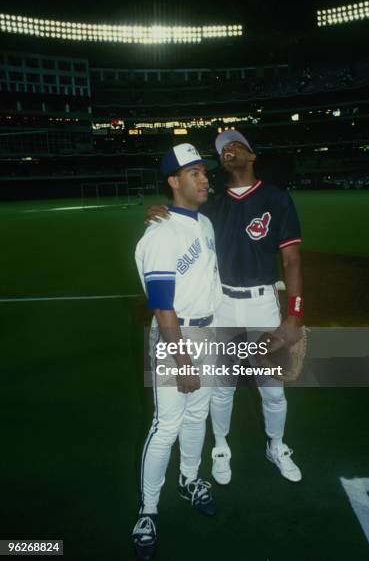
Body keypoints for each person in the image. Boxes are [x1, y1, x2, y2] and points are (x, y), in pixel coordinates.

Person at [146, 129, 303, 488]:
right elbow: (180, 214)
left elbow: (292, 261)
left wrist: (293, 316)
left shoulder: (278, 199)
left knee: (273, 388)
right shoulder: (210, 206)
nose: (228, 150)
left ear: (252, 154)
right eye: (222, 150)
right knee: (222, 387)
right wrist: (160, 212)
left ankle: (276, 446)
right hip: (223, 306)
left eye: (236, 145)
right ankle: (219, 446)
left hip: (264, 303)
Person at [133, 143, 222, 560]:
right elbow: (163, 306)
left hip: (208, 333)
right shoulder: (160, 233)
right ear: (173, 181)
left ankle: (190, 479)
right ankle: (148, 510)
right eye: (194, 173)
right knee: (166, 424)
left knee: (198, 415)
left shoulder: (204, 224)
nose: (205, 178)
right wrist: (182, 358)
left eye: (204, 171)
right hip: (177, 338)